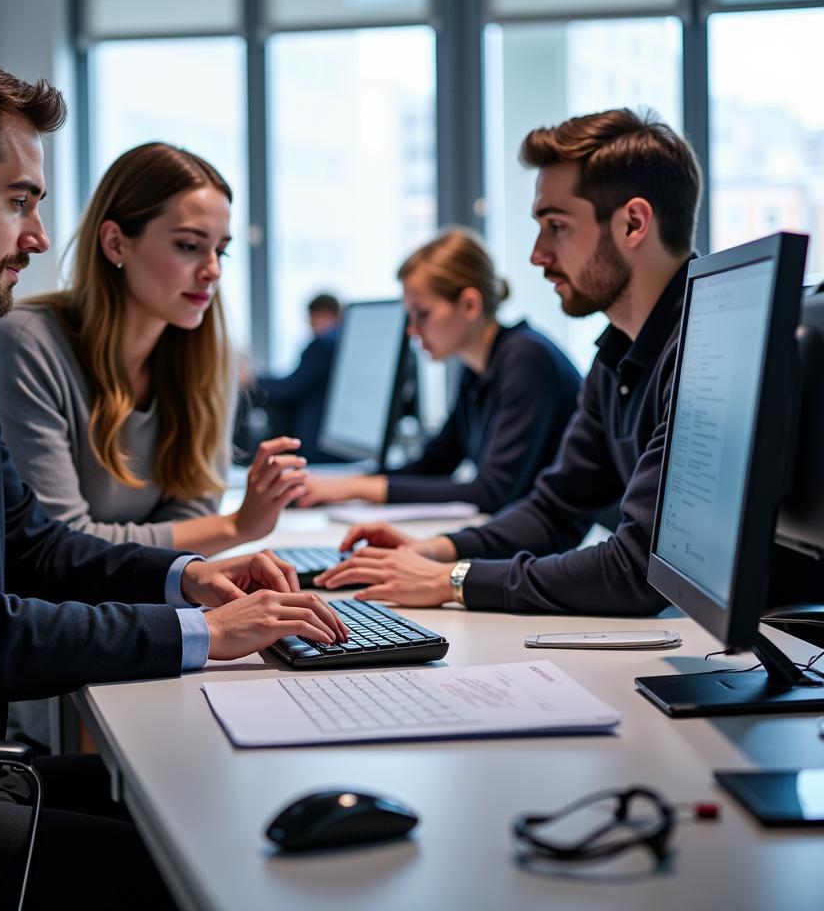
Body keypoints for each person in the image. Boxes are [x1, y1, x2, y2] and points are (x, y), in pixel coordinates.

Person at [0, 43, 345, 909]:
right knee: (206, 877)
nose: (40, 236)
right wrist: (206, 637)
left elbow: (32, 542)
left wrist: (190, 579)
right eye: (19, 201)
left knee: (228, 810)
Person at [316, 108, 702, 618]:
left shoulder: (705, 353)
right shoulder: (615, 355)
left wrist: (454, 581)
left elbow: (637, 570)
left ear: (633, 223)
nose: (537, 255)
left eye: (556, 227)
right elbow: (553, 511)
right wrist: (435, 551)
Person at [0, 143, 307, 559]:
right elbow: (58, 545)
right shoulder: (26, 343)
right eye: (189, 246)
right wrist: (235, 527)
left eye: (220, 249)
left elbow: (193, 511)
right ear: (116, 243)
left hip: (151, 596)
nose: (213, 270)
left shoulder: (209, 357)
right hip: (63, 611)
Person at [297, 230, 581, 511]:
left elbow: (493, 491)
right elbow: (437, 462)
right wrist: (344, 486)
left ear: (470, 304)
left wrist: (355, 488)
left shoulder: (527, 359)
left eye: (423, 314)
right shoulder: (476, 369)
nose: (412, 330)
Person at [250, 292, 343, 463]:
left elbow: (289, 387)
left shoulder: (323, 344)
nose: (311, 325)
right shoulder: (345, 339)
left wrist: (253, 380)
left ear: (324, 314)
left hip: (318, 440)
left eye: (313, 319)